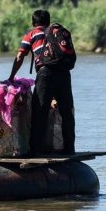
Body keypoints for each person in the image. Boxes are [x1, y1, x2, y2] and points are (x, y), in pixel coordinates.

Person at [8, 9, 75, 155]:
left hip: (46, 74)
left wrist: (12, 77)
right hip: (64, 73)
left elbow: (20, 56)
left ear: (33, 22)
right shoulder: (57, 33)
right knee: (66, 112)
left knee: (39, 112)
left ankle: (36, 150)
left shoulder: (31, 34)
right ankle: (69, 149)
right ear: (48, 21)